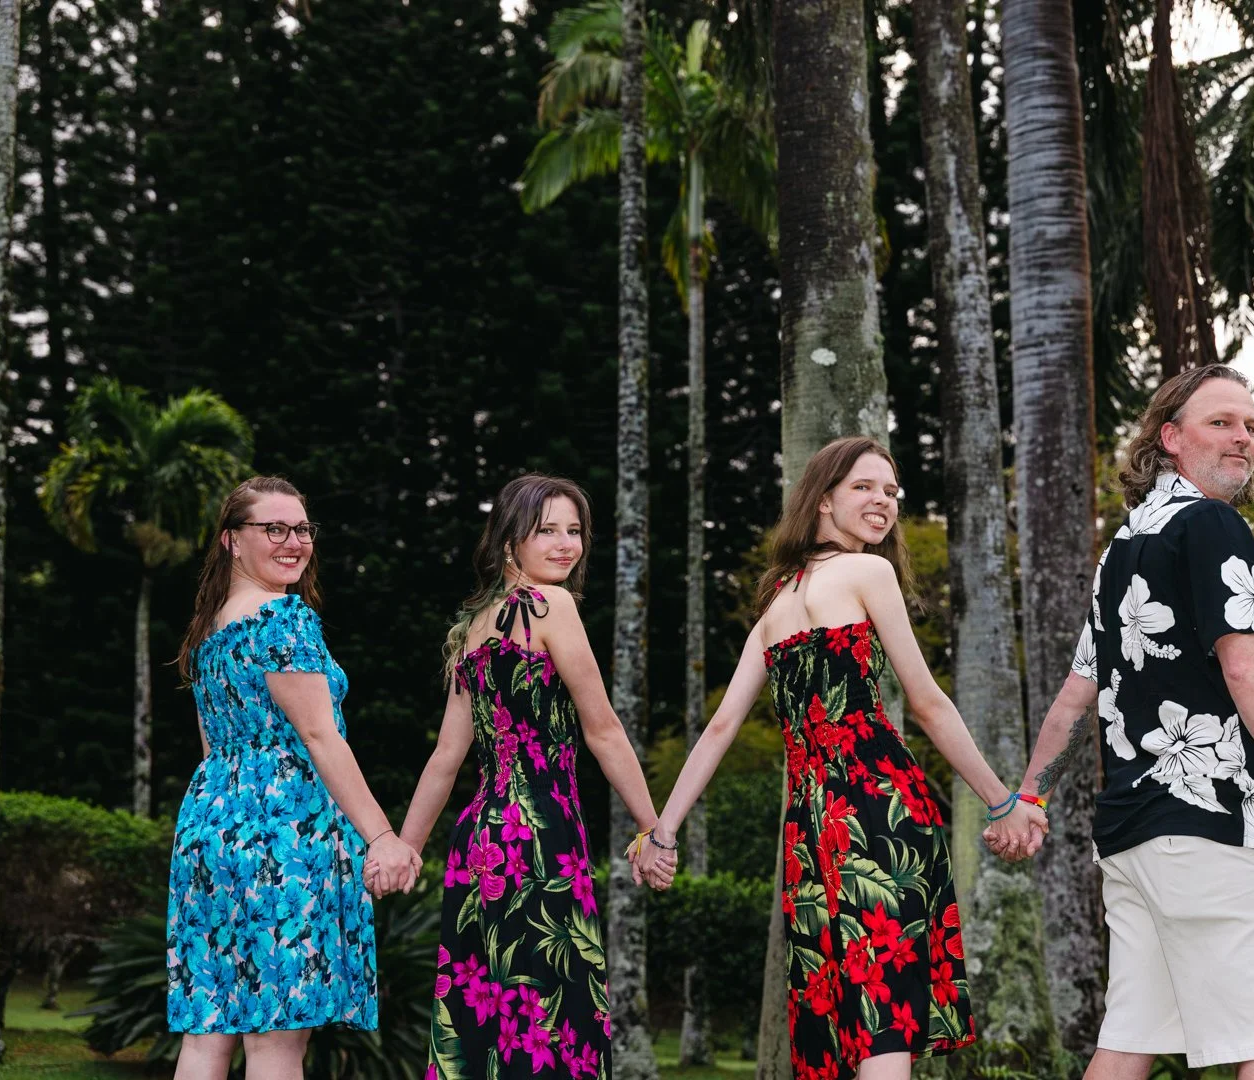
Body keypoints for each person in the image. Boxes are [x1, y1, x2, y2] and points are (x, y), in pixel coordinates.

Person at [636, 436, 1045, 1080]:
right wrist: (1002, 800)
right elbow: (928, 702)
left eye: (891, 491)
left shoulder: (775, 603)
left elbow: (718, 729)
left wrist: (663, 830)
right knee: (885, 1019)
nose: (882, 501)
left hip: (810, 829)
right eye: (864, 487)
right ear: (823, 500)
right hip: (879, 810)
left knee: (845, 1022)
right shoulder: (868, 573)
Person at [1007, 365, 1254, 1078]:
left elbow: (1076, 695)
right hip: (1214, 830)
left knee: (1129, 1042)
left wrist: (1031, 795)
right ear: (1169, 438)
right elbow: (1247, 666)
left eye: (1251, 426)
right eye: (1220, 422)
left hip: (1135, 841)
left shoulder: (1123, 549)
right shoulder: (1212, 525)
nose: (1244, 438)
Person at [397, 474, 672, 1080]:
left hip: (478, 846)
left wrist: (408, 848)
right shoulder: (553, 606)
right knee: (550, 1020)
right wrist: (656, 828)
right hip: (539, 839)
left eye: (574, 530)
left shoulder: (476, 625)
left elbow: (447, 759)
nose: (565, 543)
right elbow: (602, 730)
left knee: (493, 1018)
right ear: (509, 540)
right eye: (546, 529)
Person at [167, 476, 422, 1080]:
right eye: (273, 529)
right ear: (232, 541)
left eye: (302, 529)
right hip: (282, 837)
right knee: (278, 1043)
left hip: (210, 827)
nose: (293, 541)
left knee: (208, 1033)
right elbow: (318, 736)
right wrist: (382, 836)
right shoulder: (283, 619)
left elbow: (212, 746)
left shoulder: (213, 629)